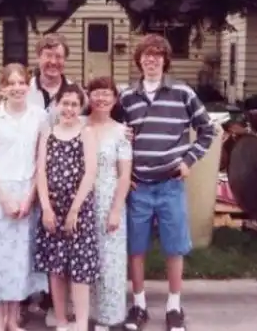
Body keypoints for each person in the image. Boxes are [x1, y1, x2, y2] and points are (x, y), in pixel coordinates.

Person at [0, 33, 83, 326]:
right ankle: (14, 311)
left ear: (65, 59)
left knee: (37, 248)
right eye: (48, 55)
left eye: (59, 56)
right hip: (9, 188)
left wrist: (120, 132)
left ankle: (50, 303)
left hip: (49, 183)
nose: (53, 61)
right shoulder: (6, 108)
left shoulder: (71, 91)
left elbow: (86, 120)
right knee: (10, 252)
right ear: (38, 58)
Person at [120, 34, 215, 331]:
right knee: (136, 248)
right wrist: (124, 172)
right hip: (138, 186)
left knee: (174, 248)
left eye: (157, 54)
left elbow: (207, 130)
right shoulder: (127, 97)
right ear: (139, 60)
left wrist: (188, 161)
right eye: (146, 55)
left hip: (170, 185)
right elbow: (113, 134)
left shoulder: (182, 93)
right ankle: (139, 306)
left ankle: (174, 306)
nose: (151, 59)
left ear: (165, 60)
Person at [0, 63, 49, 331]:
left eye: (22, 82)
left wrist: (30, 198)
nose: (17, 88)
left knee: (19, 258)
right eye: (11, 83)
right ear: (3, 88)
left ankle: (13, 318)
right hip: (0, 194)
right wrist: (4, 199)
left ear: (29, 86)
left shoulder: (40, 116)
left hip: (27, 191)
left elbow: (41, 162)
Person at [33, 83, 99, 331]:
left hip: (79, 210)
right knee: (56, 268)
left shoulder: (86, 133)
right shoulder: (48, 133)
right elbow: (41, 172)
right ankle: (61, 321)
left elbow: (90, 172)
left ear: (80, 107)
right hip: (53, 209)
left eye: (74, 104)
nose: (69, 109)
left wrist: (74, 210)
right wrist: (46, 208)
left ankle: (80, 323)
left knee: (80, 268)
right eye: (65, 103)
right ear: (56, 105)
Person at [84, 77, 132, 331]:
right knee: (82, 258)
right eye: (96, 93)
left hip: (108, 200)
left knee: (109, 261)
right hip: (80, 202)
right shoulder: (78, 124)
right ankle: (83, 315)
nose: (101, 98)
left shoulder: (121, 132)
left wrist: (115, 210)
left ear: (115, 99)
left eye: (107, 93)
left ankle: (108, 317)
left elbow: (124, 175)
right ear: (88, 96)